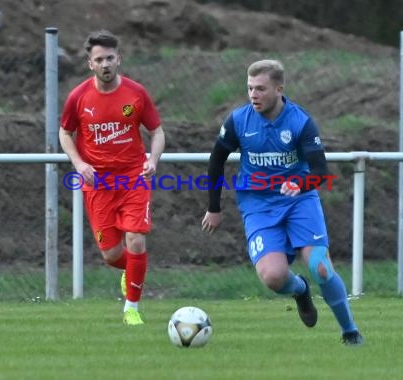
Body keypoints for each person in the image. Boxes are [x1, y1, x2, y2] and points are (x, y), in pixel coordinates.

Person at [201, 59, 363, 345]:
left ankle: (350, 332)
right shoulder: (239, 121)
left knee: (321, 267)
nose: (253, 95)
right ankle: (301, 290)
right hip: (258, 206)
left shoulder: (300, 121)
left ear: (279, 88)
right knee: (274, 277)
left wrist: (299, 183)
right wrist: (214, 207)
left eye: (261, 89)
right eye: (250, 88)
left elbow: (320, 173)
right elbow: (216, 161)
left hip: (299, 202)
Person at [60, 30, 165, 325]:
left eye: (110, 58)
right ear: (89, 64)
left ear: (119, 59)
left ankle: (131, 308)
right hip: (98, 183)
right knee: (111, 254)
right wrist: (79, 164)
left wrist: (153, 160)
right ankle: (131, 271)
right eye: (99, 59)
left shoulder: (136, 94)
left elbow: (156, 131)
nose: (105, 64)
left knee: (136, 240)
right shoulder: (78, 97)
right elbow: (65, 133)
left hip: (133, 177)